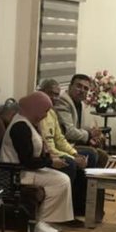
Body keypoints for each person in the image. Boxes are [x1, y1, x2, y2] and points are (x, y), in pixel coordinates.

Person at [0, 90, 75, 232]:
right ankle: (40, 222)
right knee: (60, 181)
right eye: (45, 111)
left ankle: (48, 220)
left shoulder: (28, 122)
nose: (45, 115)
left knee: (62, 178)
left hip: (24, 170)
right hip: (15, 173)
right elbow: (27, 160)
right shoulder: (20, 127)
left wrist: (49, 158)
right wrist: (51, 162)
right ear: (35, 108)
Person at [37, 78, 90, 213]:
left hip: (56, 150)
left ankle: (80, 206)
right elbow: (46, 145)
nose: (54, 98)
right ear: (41, 92)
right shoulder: (36, 113)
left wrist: (75, 154)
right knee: (70, 164)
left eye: (57, 95)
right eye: (51, 94)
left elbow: (60, 139)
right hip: (46, 155)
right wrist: (72, 158)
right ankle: (63, 211)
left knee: (89, 155)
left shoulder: (51, 112)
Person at [52, 72, 109, 166]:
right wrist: (89, 135)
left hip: (74, 143)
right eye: (79, 86)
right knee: (92, 153)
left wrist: (94, 135)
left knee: (103, 155)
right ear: (70, 86)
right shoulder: (63, 101)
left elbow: (80, 128)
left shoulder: (81, 103)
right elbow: (69, 132)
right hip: (62, 146)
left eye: (86, 88)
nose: (82, 90)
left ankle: (92, 176)